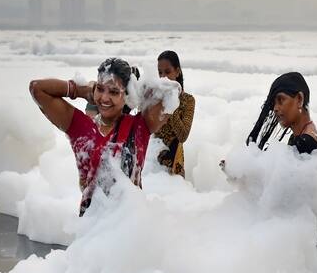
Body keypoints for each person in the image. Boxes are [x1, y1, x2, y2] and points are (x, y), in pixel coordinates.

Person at [29, 57, 170, 216]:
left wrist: (139, 93)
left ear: (126, 96)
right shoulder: (81, 128)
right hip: (92, 229)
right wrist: (81, 91)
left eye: (114, 92)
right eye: (100, 89)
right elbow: (37, 88)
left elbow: (172, 92)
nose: (104, 98)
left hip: (130, 227)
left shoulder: (139, 127)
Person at [246, 72, 317, 154]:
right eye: (273, 103)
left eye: (280, 100)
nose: (275, 108)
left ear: (299, 99)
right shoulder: (305, 135)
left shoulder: (305, 143)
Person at [154, 50, 195, 176]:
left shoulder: (188, 100)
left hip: (174, 165)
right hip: (152, 161)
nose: (163, 77)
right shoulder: (155, 98)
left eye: (167, 72)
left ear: (177, 72)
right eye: (160, 73)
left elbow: (183, 136)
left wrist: (171, 102)